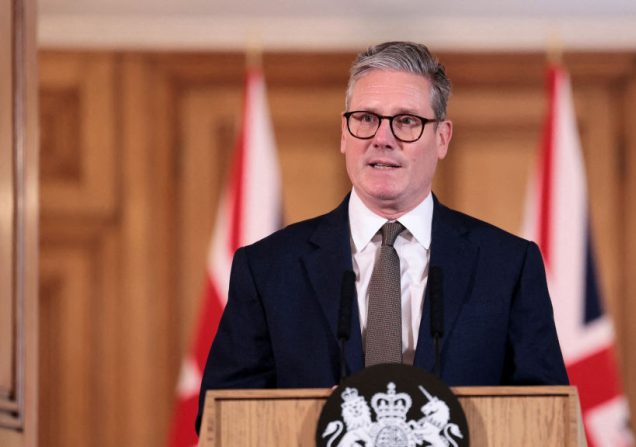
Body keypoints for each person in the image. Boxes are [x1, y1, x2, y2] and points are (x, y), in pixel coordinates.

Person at [196, 41, 568, 433]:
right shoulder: (269, 268)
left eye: (406, 121)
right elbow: (221, 419)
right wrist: (308, 419)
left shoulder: (507, 265)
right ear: (344, 132)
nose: (382, 138)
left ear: (442, 137)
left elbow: (546, 417)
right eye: (366, 118)